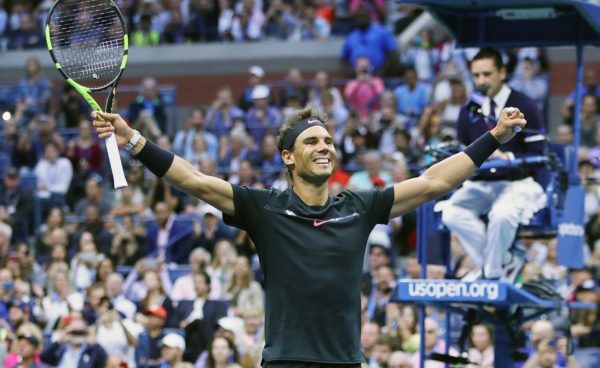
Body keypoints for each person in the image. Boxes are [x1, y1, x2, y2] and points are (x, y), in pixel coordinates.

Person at [92, 94, 525, 365]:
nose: (324, 148)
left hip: (345, 361)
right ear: (287, 157)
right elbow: (192, 180)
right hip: (285, 361)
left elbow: (436, 182)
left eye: (328, 141)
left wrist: (494, 137)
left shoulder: (361, 205)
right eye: (311, 142)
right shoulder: (263, 208)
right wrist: (133, 140)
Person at [439, 47, 547, 282]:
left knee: (501, 215)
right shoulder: (468, 112)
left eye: (487, 74)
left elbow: (538, 154)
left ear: (503, 72)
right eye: (477, 76)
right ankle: (505, 262)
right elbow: (462, 155)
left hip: (518, 183)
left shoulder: (525, 105)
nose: (481, 81)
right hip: (481, 184)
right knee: (450, 213)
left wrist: (507, 158)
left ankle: (491, 276)